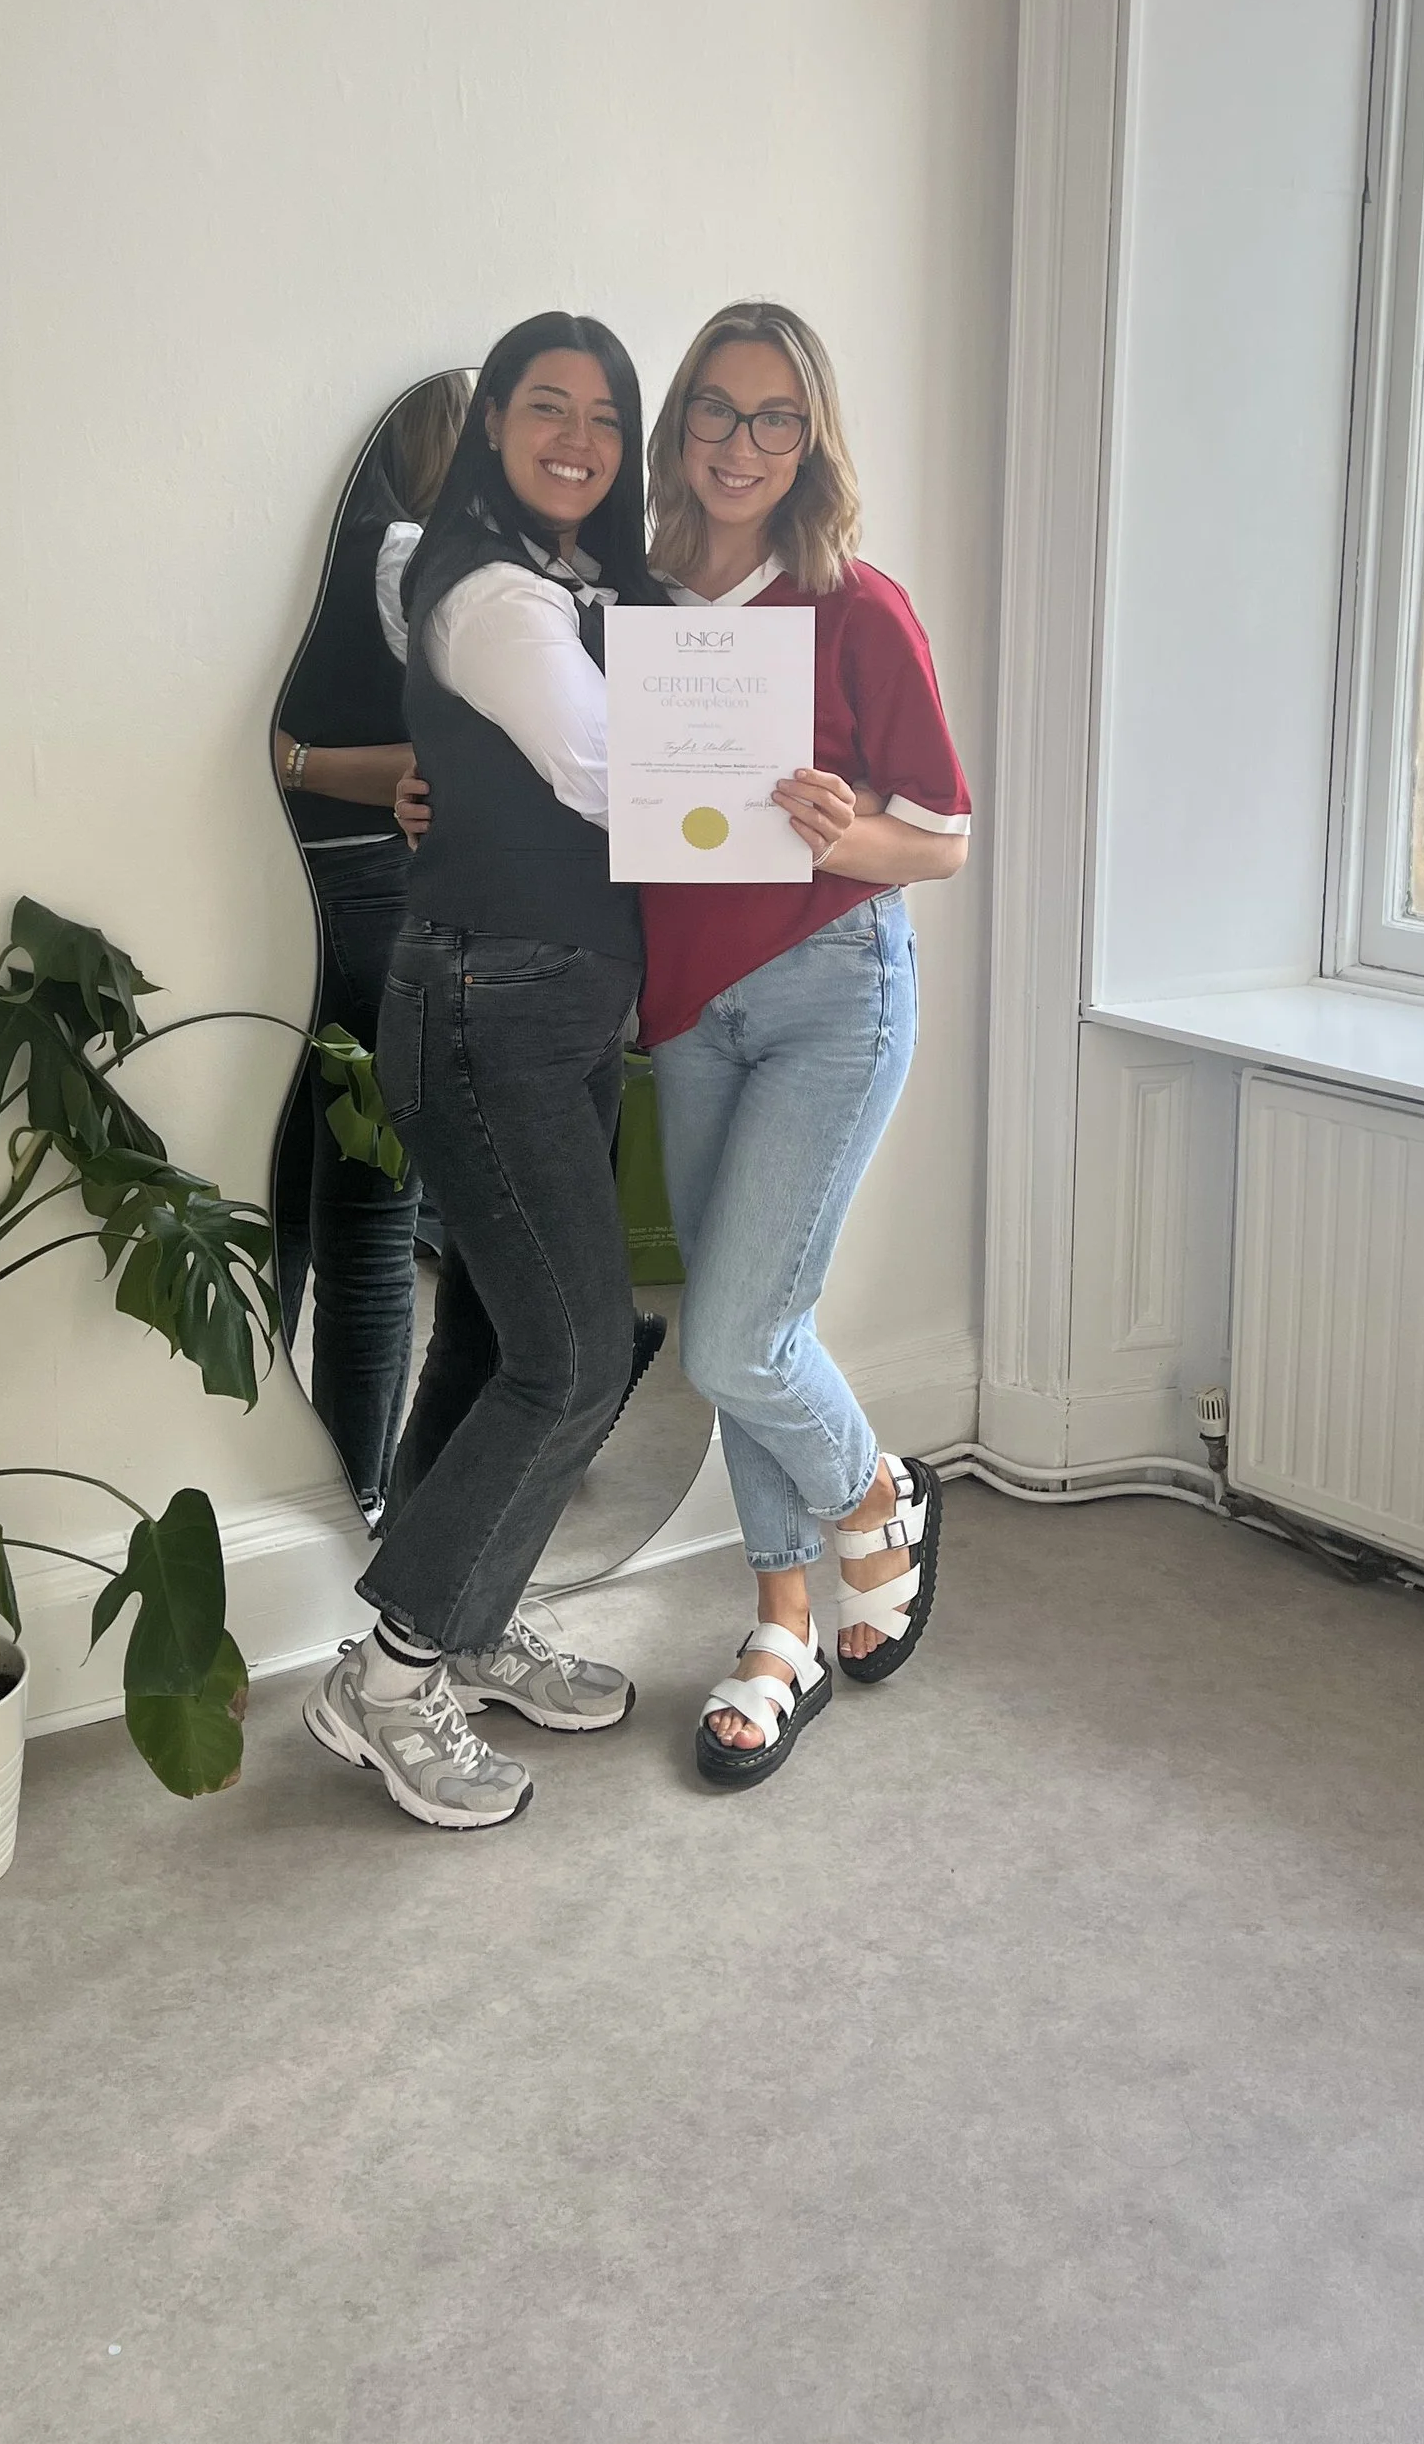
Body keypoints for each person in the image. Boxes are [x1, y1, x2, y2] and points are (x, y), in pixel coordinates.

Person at [303, 314, 659, 1831]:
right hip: (488, 1003)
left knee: (493, 1341)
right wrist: (767, 773)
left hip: (548, 998)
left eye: (605, 416)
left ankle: (473, 1614)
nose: (578, 437)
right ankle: (388, 1679)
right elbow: (603, 772)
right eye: (546, 408)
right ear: (496, 424)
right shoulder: (501, 595)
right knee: (576, 1355)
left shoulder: (586, 584)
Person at [637, 304, 970, 1788]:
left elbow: (946, 844)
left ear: (812, 437)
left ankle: (877, 1496)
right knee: (745, 1332)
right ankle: (780, 1629)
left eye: (777, 418)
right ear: (682, 427)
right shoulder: (634, 604)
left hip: (835, 987)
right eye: (717, 410)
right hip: (689, 1009)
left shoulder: (857, 606)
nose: (742, 445)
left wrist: (857, 830)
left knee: (735, 1335)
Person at [271, 371, 467, 1519]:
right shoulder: (407, 557)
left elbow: (413, 765)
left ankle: (304, 1488)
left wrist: (288, 761)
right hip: (376, 893)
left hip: (277, 885)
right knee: (366, 1217)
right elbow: (429, 767)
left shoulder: (298, 564)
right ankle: (362, 1493)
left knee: (285, 1204)